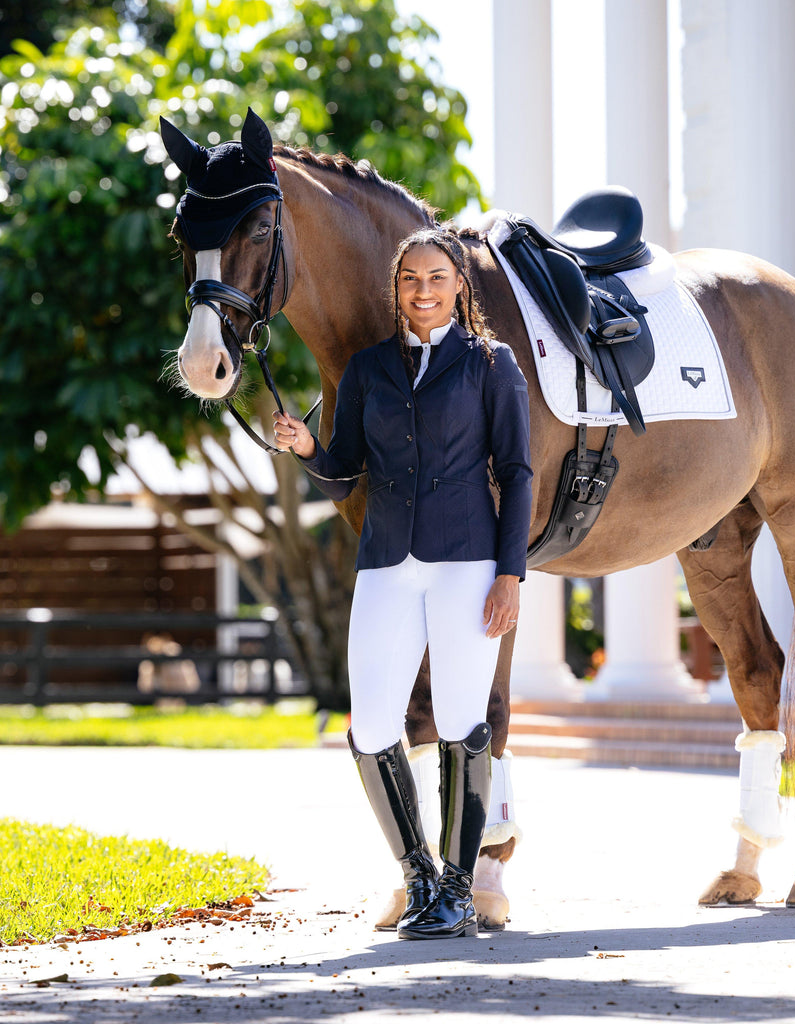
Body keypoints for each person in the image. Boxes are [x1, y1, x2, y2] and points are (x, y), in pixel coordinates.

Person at [272, 226, 532, 940]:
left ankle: (456, 885)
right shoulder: (367, 369)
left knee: (458, 722)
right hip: (387, 561)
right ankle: (419, 873)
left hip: (468, 563)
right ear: (396, 287)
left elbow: (516, 473)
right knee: (371, 727)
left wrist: (510, 573)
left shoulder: (492, 365)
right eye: (410, 279)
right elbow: (344, 469)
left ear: (459, 285)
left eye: (437, 277)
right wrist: (307, 449)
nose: (423, 290)